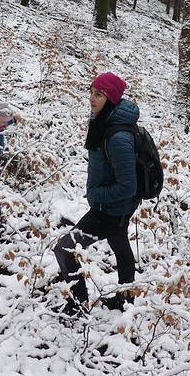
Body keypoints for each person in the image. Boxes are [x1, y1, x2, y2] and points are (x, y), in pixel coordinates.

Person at [53, 72, 139, 315]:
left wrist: (95, 196)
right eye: (90, 91)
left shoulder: (118, 136)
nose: (91, 98)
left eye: (98, 94)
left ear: (110, 99)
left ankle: (78, 305)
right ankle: (126, 299)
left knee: (64, 249)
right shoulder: (105, 121)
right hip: (117, 208)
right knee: (121, 246)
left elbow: (128, 186)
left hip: (110, 210)